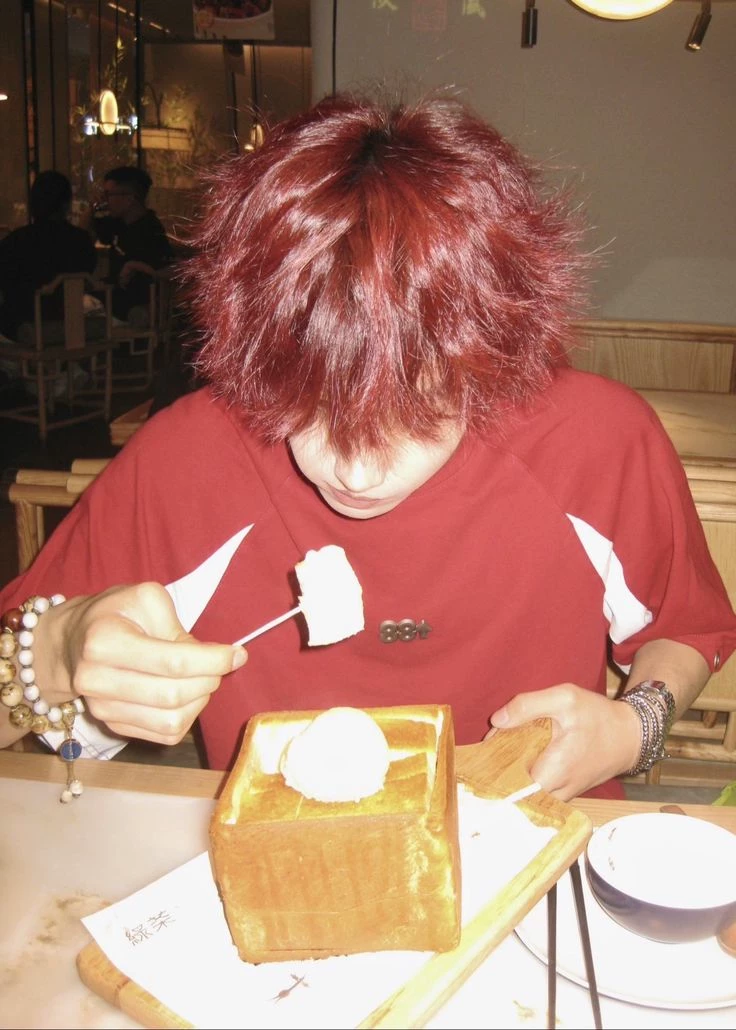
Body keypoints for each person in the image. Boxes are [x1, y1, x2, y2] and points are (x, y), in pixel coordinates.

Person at [1, 91, 735, 802]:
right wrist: (57, 653)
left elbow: (688, 630)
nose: (353, 470)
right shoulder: (189, 457)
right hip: (285, 857)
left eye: (414, 411)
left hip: (543, 843)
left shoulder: (597, 440)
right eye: (310, 403)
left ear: (488, 355)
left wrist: (635, 728)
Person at [0, 170, 97, 343]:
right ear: (66, 204)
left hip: (24, 322)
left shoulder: (16, 241)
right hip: (71, 321)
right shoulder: (81, 240)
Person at [90, 165, 173, 322]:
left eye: (108, 194)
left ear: (130, 198)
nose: (104, 200)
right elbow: (81, 238)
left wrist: (132, 267)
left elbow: (159, 272)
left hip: (131, 302)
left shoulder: (150, 231)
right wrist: (91, 208)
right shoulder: (118, 223)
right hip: (113, 296)